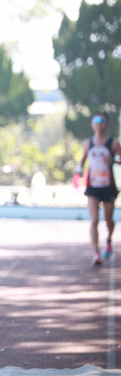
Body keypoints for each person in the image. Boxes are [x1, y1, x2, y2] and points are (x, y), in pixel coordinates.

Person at [76, 112, 121, 265]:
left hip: (108, 187)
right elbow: (82, 161)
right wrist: (78, 171)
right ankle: (96, 252)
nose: (98, 123)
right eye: (95, 120)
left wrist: (113, 161)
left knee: (108, 219)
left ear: (106, 124)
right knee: (94, 220)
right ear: (92, 124)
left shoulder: (113, 143)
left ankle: (108, 240)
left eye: (102, 120)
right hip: (93, 187)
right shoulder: (88, 143)